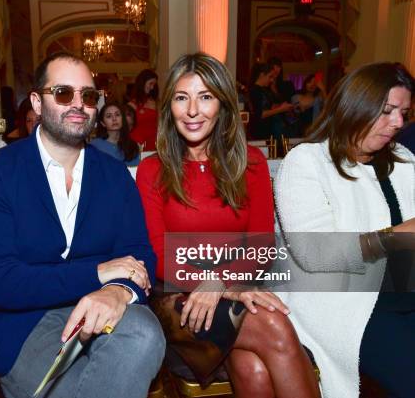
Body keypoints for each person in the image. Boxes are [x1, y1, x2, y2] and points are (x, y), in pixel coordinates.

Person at [0, 52, 165, 398]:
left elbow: (140, 255)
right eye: (62, 93)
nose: (78, 104)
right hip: (25, 324)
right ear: (37, 103)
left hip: (104, 305)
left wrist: (117, 291)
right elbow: (0, 281)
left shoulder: (114, 175)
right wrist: (99, 272)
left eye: (88, 96)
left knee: (146, 334)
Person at [136, 53, 320, 398]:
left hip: (236, 289)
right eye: (181, 98)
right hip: (177, 301)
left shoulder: (251, 163)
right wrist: (208, 284)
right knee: (275, 326)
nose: (192, 110)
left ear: (222, 104)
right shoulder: (153, 170)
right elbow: (157, 253)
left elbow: (262, 244)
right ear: (168, 107)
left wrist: (222, 281)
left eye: (205, 97)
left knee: (253, 368)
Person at [274, 62, 415, 398]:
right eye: (388, 111)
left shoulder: (403, 160)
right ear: (357, 106)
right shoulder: (307, 162)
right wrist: (394, 236)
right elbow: (314, 253)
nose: (398, 123)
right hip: (349, 304)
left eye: (404, 112)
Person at [248, 63, 294, 146]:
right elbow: (260, 114)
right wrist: (281, 109)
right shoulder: (254, 91)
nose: (272, 80)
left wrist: (281, 106)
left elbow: (267, 107)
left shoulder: (265, 90)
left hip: (268, 131)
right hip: (259, 132)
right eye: (270, 77)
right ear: (262, 75)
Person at [129, 69, 159, 150]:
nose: (152, 87)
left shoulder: (154, 101)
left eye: (154, 84)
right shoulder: (132, 104)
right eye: (151, 83)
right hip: (137, 144)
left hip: (153, 143)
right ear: (142, 82)